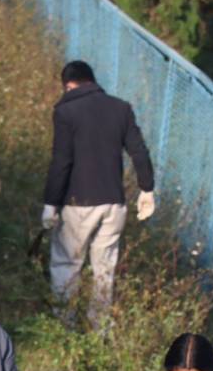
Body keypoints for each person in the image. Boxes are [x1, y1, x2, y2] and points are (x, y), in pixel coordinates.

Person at [42, 60, 156, 323]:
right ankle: (99, 329)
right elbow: (139, 151)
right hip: (114, 204)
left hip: (78, 203)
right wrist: (146, 189)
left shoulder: (66, 112)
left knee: (67, 264)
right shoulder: (121, 108)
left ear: (69, 85)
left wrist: (51, 203)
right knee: (104, 269)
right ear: (92, 81)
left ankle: (64, 325)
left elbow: (62, 160)